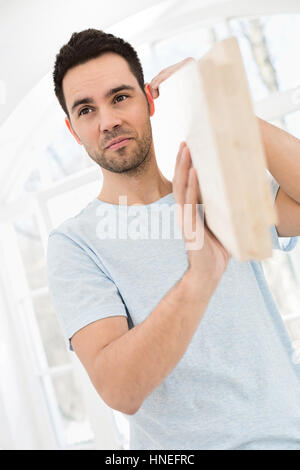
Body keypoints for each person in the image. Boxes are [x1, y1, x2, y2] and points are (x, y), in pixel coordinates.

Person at [47, 28, 300, 450]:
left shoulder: (214, 185)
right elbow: (119, 390)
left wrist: (220, 105)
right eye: (87, 110)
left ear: (149, 100)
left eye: (120, 97)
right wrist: (200, 277)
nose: (108, 121)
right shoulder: (74, 244)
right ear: (74, 129)